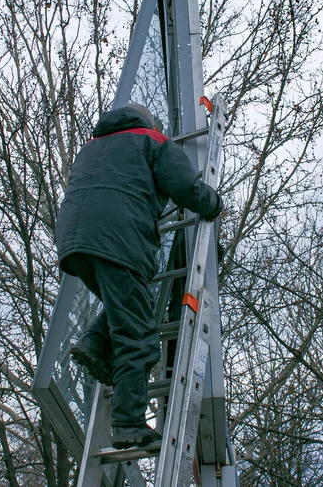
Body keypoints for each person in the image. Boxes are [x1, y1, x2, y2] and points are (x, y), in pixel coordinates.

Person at [55, 102, 222, 449]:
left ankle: (95, 343)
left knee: (128, 304)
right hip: (117, 240)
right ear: (150, 123)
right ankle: (128, 422)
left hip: (75, 244)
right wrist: (214, 204)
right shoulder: (154, 141)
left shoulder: (92, 148)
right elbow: (187, 189)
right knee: (139, 334)